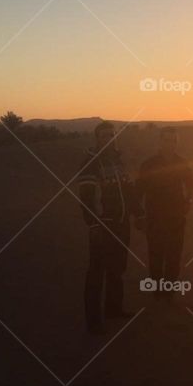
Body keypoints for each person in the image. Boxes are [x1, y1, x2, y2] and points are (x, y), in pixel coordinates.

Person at [77, 121, 142, 334]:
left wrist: (139, 212)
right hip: (103, 225)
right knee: (96, 272)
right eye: (105, 135)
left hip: (122, 223)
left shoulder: (118, 160)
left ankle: (114, 308)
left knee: (118, 268)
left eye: (112, 135)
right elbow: (87, 198)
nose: (109, 138)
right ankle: (93, 321)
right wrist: (94, 223)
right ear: (97, 138)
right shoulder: (91, 163)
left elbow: (129, 190)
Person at [137, 127, 193, 301]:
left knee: (174, 255)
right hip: (154, 217)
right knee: (156, 254)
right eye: (167, 140)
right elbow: (139, 190)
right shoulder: (149, 164)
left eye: (173, 140)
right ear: (160, 141)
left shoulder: (181, 162)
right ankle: (158, 290)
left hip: (176, 218)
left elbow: (190, 183)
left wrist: (188, 201)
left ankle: (169, 291)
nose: (170, 144)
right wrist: (139, 215)